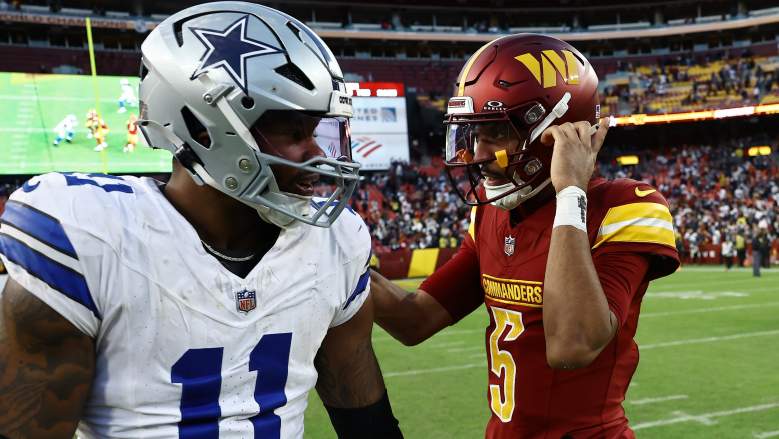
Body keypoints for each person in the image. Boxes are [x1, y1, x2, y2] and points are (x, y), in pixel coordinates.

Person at [0, 3, 402, 438]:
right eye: (293, 132)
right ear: (205, 129)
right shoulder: (93, 237)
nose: (319, 155)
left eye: (319, 131)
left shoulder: (335, 242)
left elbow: (368, 424)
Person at [371, 34, 680, 438]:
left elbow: (573, 345)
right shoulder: (492, 213)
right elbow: (415, 320)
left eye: (495, 133)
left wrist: (571, 191)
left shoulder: (625, 206)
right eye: (474, 135)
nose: (478, 154)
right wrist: (337, 263)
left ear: (558, 131)